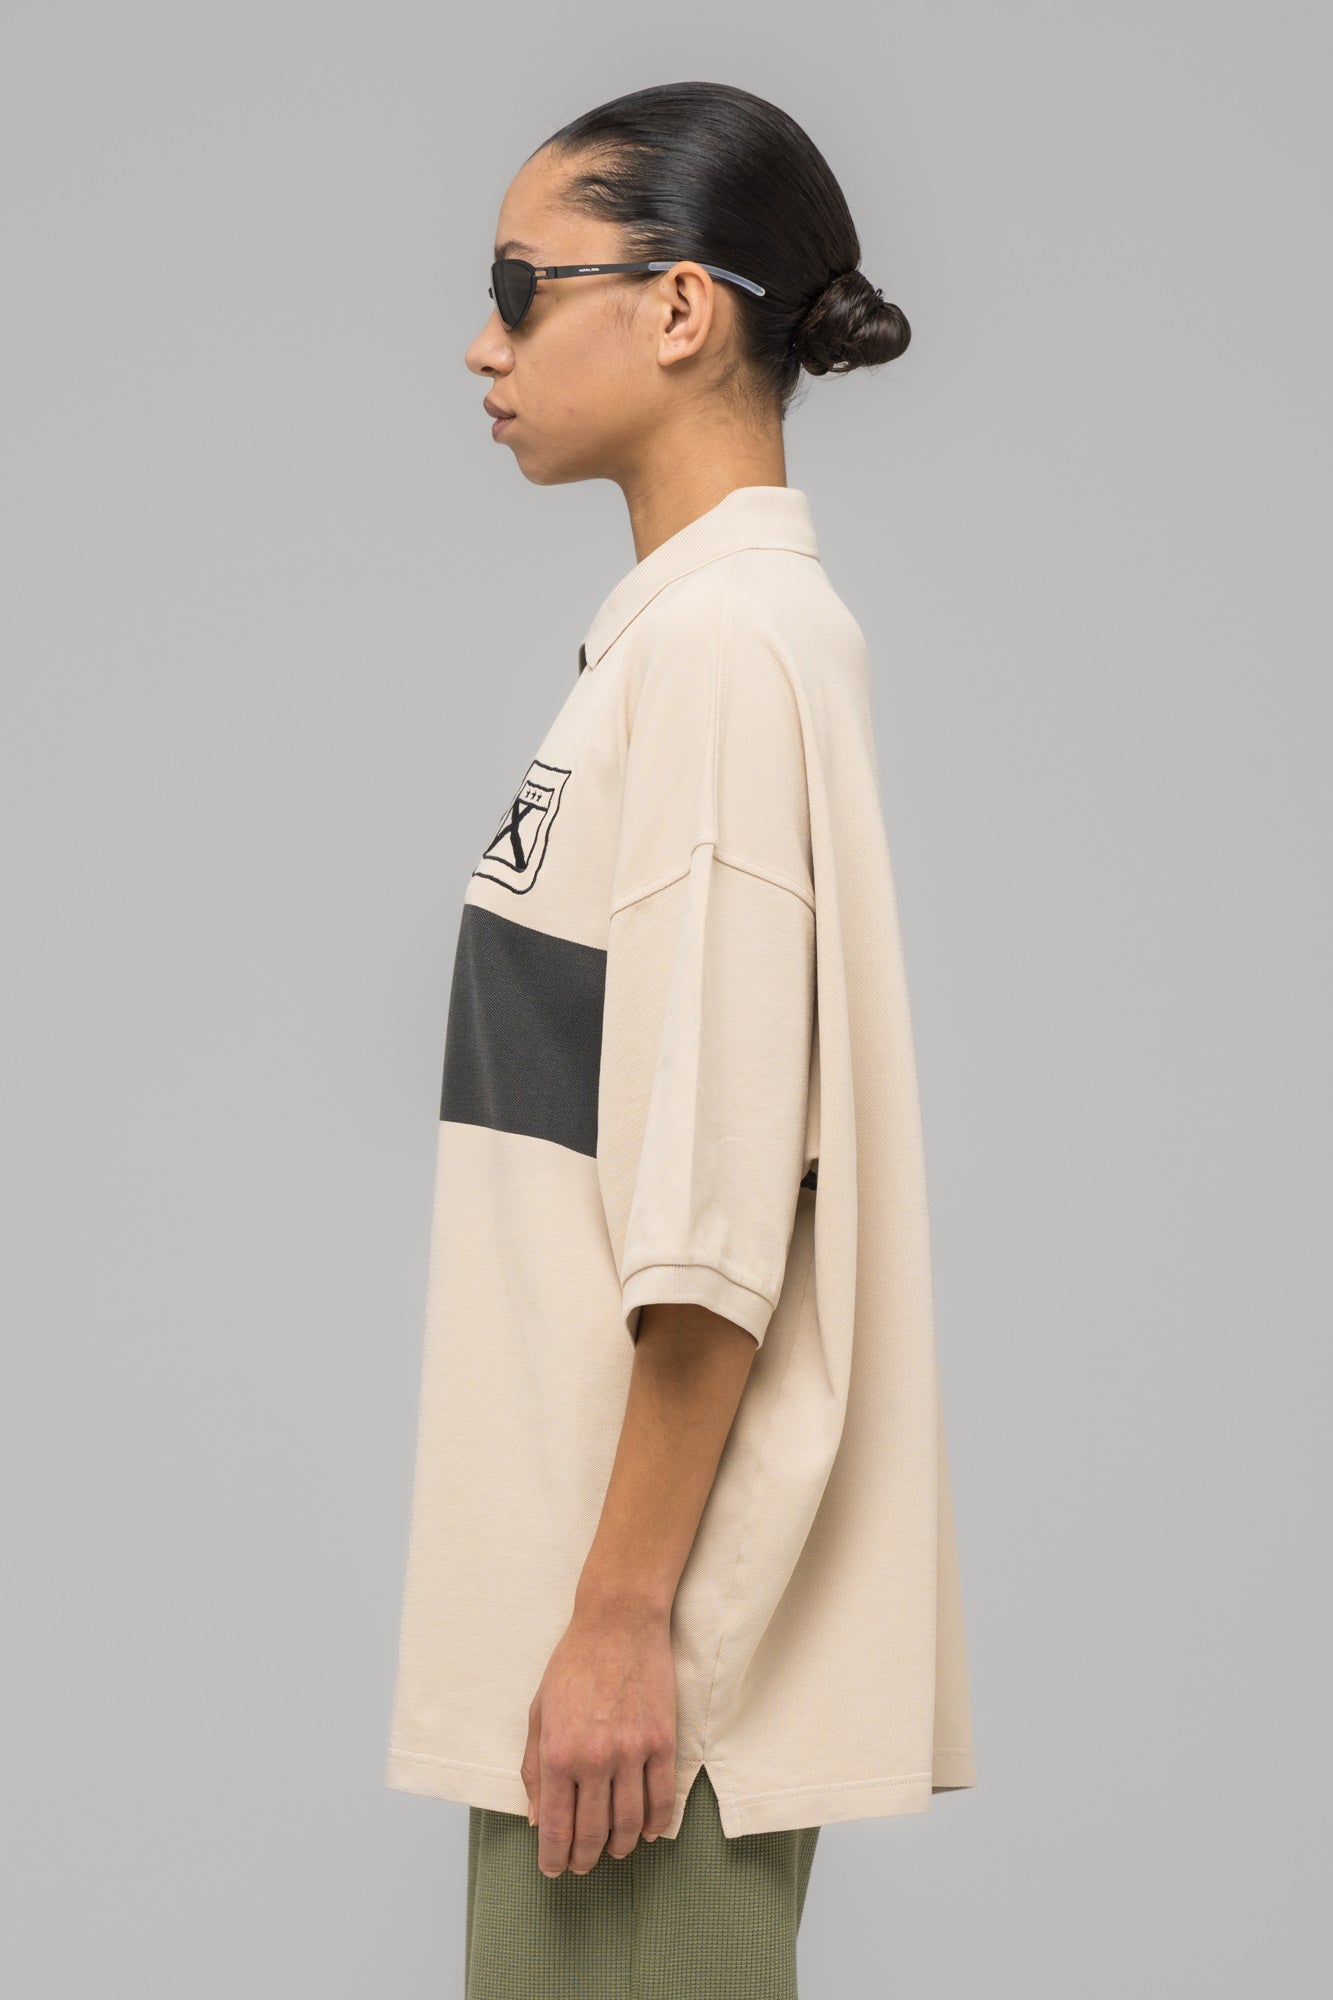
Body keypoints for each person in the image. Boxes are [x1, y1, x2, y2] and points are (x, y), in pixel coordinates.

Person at [383, 79, 976, 2000]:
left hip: (641, 1675)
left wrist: (622, 1623)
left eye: (519, 283)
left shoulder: (722, 654)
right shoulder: (693, 643)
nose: (482, 343)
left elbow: (717, 1211)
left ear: (678, 308)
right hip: (607, 1635)